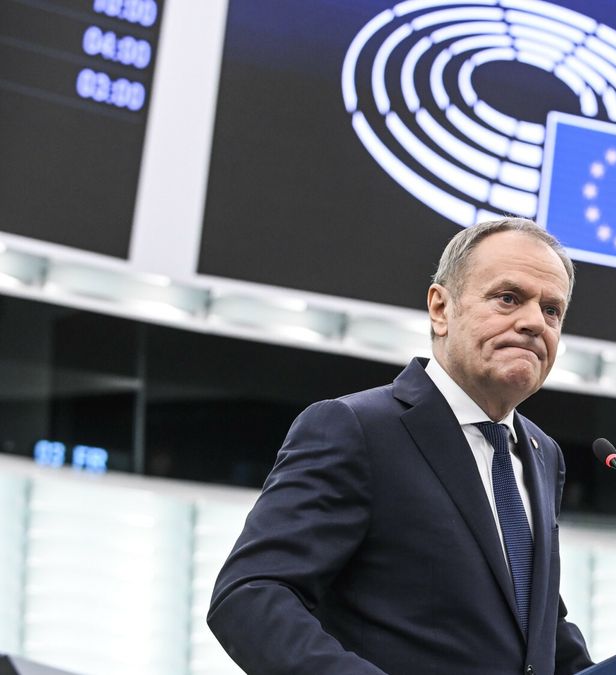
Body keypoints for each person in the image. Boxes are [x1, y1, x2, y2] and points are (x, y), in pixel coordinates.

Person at [208, 218, 593, 675]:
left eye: (552, 310)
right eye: (508, 298)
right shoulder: (355, 428)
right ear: (440, 308)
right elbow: (250, 596)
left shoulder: (541, 452)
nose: (534, 322)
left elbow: (534, 624)